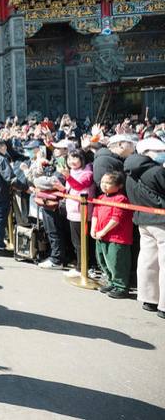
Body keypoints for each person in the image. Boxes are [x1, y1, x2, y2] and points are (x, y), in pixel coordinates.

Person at [124, 137, 165, 319]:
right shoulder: (156, 171)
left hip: (142, 219)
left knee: (148, 259)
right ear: (149, 153)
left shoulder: (130, 171)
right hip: (160, 219)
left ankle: (149, 298)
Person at [91, 172, 134, 299]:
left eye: (108, 183)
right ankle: (111, 281)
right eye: (103, 182)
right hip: (100, 236)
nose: (104, 185)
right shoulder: (100, 198)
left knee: (117, 262)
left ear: (119, 186)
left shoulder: (121, 199)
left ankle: (121, 286)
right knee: (103, 261)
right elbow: (95, 214)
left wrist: (103, 231)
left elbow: (116, 218)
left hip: (117, 238)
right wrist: (93, 229)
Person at [54, 149, 95, 277]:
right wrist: (63, 189)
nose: (72, 161)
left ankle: (82, 268)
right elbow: (72, 189)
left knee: (80, 241)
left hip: (82, 212)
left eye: (75, 158)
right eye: (70, 159)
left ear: (82, 159)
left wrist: (67, 177)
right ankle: (81, 265)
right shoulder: (72, 171)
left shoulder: (87, 172)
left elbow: (80, 186)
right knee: (76, 241)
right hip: (73, 211)